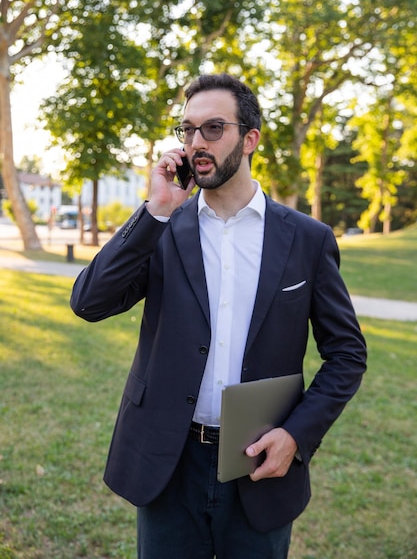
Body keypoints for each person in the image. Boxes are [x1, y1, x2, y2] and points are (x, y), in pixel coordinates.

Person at [70, 73, 367, 558]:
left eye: (212, 129)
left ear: (249, 139)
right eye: (186, 130)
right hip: (168, 460)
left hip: (259, 463)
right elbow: (89, 302)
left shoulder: (308, 239)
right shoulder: (163, 226)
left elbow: (347, 354)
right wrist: (155, 210)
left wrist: (296, 435)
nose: (195, 144)